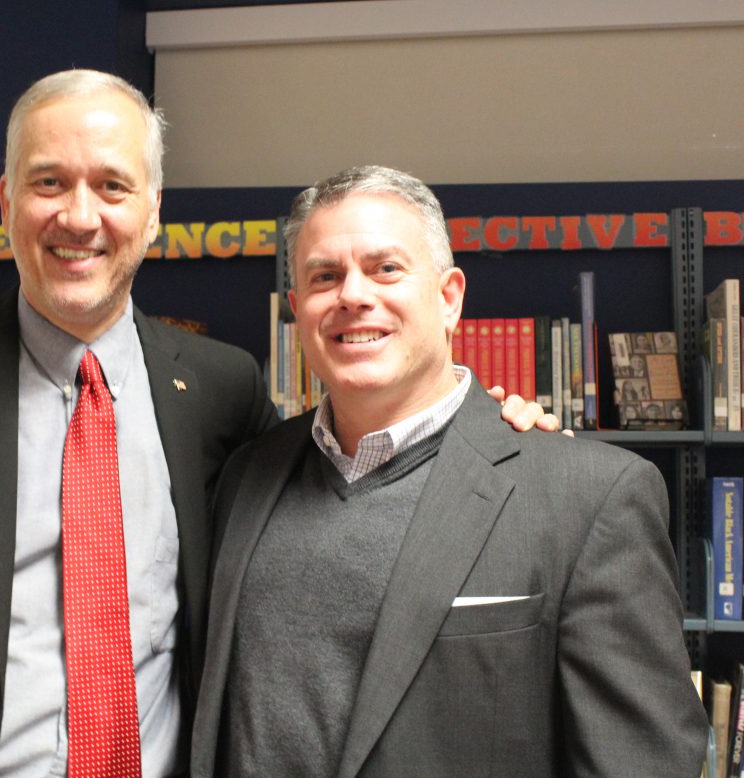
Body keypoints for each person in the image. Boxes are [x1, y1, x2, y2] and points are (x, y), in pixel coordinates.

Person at [0, 73, 555, 778]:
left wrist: (487, 436)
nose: (79, 216)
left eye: (112, 186)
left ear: (152, 213)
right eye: (48, 182)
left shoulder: (218, 386)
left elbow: (341, 482)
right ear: (6, 203)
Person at [191, 166, 708, 777]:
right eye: (325, 276)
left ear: (448, 298)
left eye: (386, 268)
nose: (353, 295)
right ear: (300, 311)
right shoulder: (246, 478)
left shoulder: (588, 496)